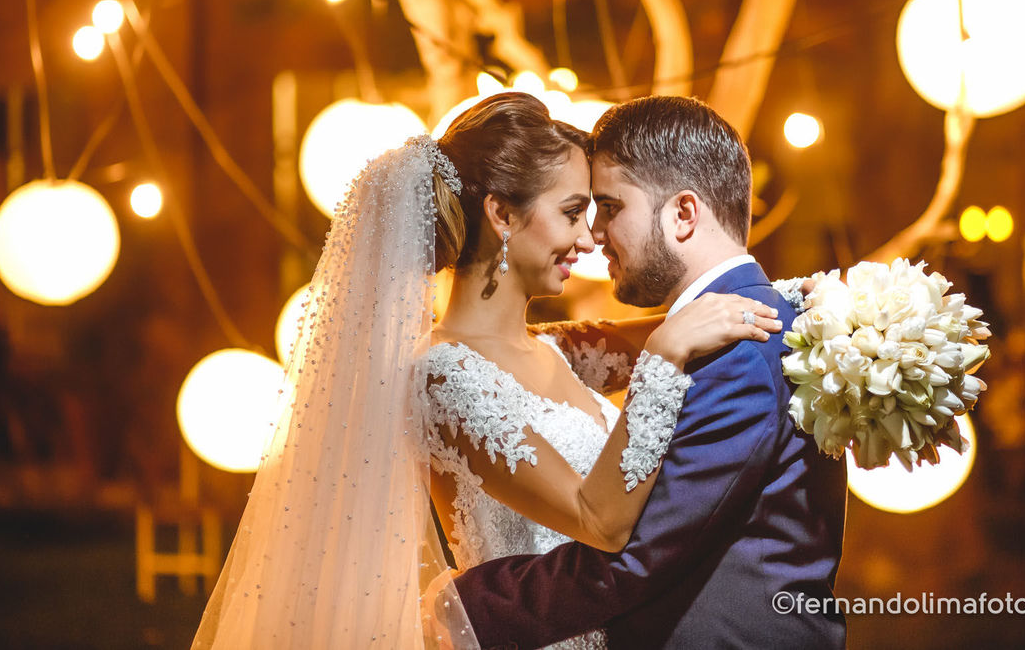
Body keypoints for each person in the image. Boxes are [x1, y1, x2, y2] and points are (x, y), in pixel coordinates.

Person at [190, 93, 786, 648]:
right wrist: (661, 359)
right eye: (574, 211)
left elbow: (699, 310)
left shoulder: (558, 350)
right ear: (502, 213)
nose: (591, 238)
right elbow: (597, 521)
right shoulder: (443, 377)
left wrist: (815, 305)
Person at [452, 96, 848, 649]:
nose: (593, 238)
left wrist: (467, 606)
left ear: (683, 214)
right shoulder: (743, 325)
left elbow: (641, 553)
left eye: (609, 208)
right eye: (578, 213)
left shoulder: (739, 347)